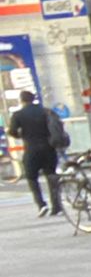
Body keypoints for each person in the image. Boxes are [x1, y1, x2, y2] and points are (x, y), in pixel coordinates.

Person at [8, 90, 65, 218]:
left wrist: (21, 134)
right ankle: (57, 206)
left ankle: (41, 204)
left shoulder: (18, 114)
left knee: (31, 177)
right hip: (49, 148)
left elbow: (12, 131)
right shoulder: (46, 111)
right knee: (51, 176)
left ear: (21, 100)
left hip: (31, 150)